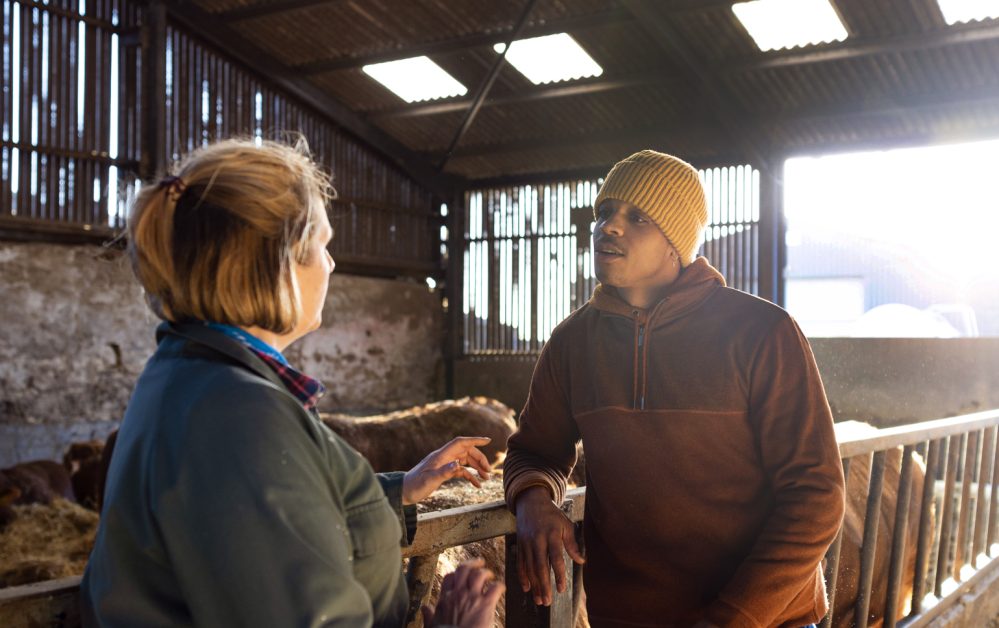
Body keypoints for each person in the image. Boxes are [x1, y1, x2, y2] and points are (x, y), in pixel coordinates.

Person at [81, 138, 503, 627]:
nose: (331, 264)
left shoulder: (191, 376)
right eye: (322, 245)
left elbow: (267, 530)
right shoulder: (242, 418)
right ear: (277, 263)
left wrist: (399, 489)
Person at [503, 150, 846, 628]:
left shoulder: (762, 332)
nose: (608, 227)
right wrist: (534, 499)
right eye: (604, 212)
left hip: (761, 620)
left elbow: (816, 495)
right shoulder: (573, 342)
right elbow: (532, 451)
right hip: (626, 618)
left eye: (636, 216)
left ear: (675, 243)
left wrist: (733, 619)